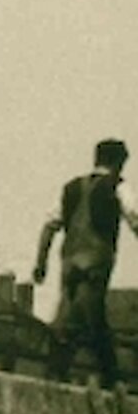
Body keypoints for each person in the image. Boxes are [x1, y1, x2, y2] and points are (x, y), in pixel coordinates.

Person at [34, 138, 138, 388]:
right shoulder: (118, 187)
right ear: (117, 163)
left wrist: (41, 263)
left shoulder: (71, 188)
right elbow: (135, 217)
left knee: (74, 313)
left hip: (70, 261)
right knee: (88, 318)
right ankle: (108, 378)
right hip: (96, 261)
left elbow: (50, 226)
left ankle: (57, 371)